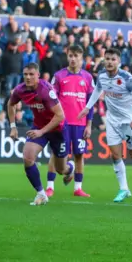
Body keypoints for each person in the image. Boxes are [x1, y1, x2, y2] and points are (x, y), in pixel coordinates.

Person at [77, 48, 132, 203]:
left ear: (119, 62)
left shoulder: (127, 78)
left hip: (129, 121)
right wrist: (88, 107)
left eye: (113, 59)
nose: (110, 62)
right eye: (107, 59)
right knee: (115, 155)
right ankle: (124, 189)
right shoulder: (102, 75)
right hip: (112, 120)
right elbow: (98, 90)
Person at [7, 62, 75, 206]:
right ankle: (41, 194)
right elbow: (10, 104)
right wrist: (13, 127)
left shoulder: (46, 90)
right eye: (25, 74)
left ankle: (70, 168)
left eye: (31, 74)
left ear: (38, 75)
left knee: (61, 169)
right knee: (28, 157)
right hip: (39, 127)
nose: (28, 77)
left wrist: (41, 131)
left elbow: (60, 116)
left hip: (58, 130)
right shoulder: (20, 90)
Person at [46, 45, 94, 198]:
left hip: (80, 124)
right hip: (62, 123)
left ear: (81, 58)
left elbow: (90, 103)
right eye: (70, 56)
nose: (73, 59)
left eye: (76, 56)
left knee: (79, 155)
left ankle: (78, 188)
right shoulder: (59, 76)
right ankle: (50, 187)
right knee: (56, 154)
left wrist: (89, 125)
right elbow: (51, 99)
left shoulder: (87, 77)